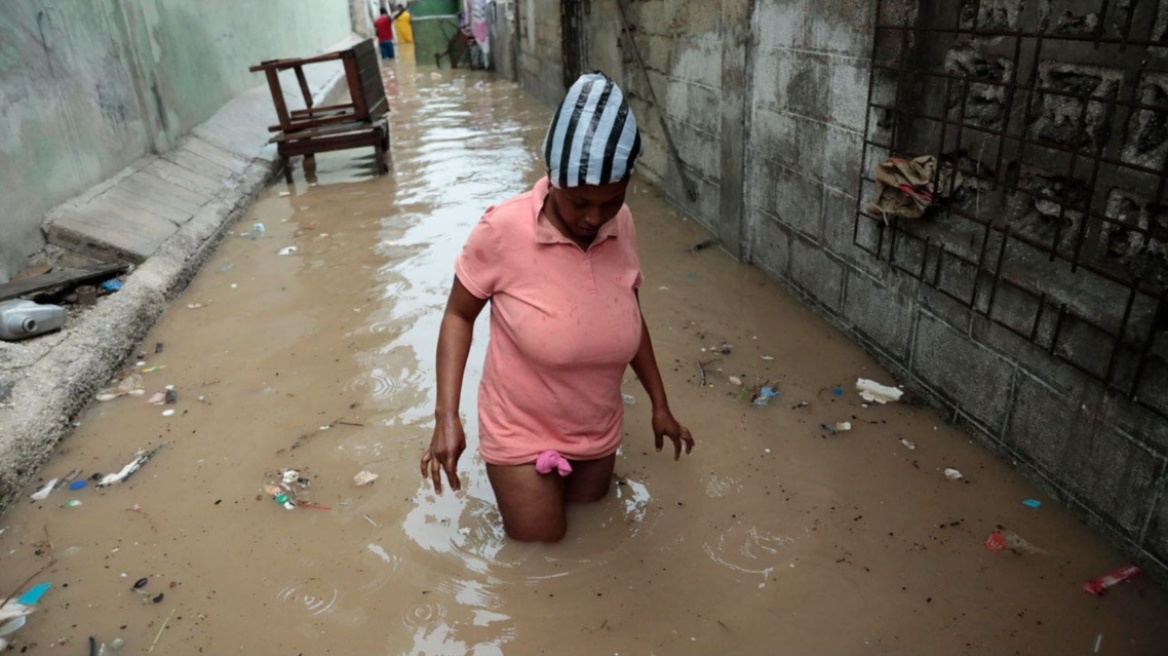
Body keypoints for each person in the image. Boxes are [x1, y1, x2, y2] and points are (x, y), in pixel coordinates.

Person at [420, 72, 695, 543]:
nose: (594, 218)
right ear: (553, 182)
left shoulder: (620, 223)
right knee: (541, 552)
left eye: (609, 201)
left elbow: (628, 311)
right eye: (580, 203)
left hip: (597, 426)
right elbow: (458, 315)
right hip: (520, 431)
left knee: (594, 536)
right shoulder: (502, 230)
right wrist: (447, 418)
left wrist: (660, 404)